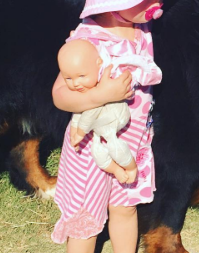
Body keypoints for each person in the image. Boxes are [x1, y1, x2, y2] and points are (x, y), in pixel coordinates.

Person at [51, 0, 186, 253]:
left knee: (126, 210)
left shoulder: (140, 25)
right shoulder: (88, 40)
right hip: (91, 152)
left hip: (135, 144)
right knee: (86, 220)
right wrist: (102, 94)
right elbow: (60, 95)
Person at [57, 37, 162, 184]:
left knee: (115, 146)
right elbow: (77, 114)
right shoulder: (85, 88)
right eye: (68, 78)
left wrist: (79, 133)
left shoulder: (104, 77)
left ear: (98, 64)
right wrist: (74, 132)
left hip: (114, 119)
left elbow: (88, 114)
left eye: (81, 76)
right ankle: (115, 169)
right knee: (97, 151)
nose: (76, 83)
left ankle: (131, 168)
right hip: (100, 129)